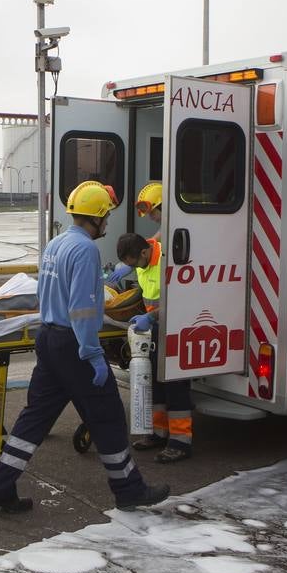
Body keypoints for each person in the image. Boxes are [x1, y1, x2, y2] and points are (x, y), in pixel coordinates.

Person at [0, 181, 169, 514]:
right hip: (74, 345)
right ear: (95, 218)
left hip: (49, 338)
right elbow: (83, 310)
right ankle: (129, 490)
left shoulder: (55, 244)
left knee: (34, 418)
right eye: (106, 217)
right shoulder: (85, 250)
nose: (107, 223)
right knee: (109, 417)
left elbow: (47, 294)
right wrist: (93, 355)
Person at [108, 182, 191, 462]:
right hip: (156, 329)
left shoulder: (167, 259)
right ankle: (158, 434)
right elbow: (152, 243)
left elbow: (179, 300)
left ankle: (181, 442)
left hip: (174, 325)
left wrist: (150, 315)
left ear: (143, 254)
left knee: (176, 385)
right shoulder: (145, 257)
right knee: (155, 383)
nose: (135, 268)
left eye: (134, 262)